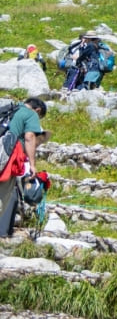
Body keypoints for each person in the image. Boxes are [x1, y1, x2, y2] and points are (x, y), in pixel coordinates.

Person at [0, 97, 48, 236]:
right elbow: (29, 137)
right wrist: (32, 164)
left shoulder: (9, 110)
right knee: (3, 195)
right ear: (38, 110)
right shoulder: (30, 114)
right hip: (7, 157)